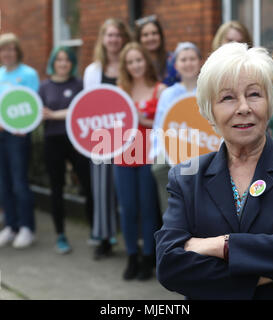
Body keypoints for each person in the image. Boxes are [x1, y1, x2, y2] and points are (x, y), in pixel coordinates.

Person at [155, 42, 273, 300]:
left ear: (269, 102)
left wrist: (219, 245)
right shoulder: (186, 177)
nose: (243, 108)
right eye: (228, 97)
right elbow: (170, 266)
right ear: (210, 112)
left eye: (254, 94)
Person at [0, 33, 39, 249]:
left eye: (11, 49)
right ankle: (10, 226)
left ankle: (27, 227)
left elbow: (31, 106)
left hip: (18, 136)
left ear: (17, 51)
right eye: (3, 50)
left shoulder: (28, 74)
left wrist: (4, 125)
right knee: (2, 182)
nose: (7, 53)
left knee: (19, 182)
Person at [115, 42, 166, 280]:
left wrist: (140, 119)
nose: (135, 65)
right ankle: (131, 256)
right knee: (127, 209)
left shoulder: (160, 90)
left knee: (148, 208)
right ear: (125, 66)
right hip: (122, 154)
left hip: (149, 154)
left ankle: (148, 257)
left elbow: (165, 125)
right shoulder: (119, 90)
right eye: (130, 61)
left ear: (146, 61)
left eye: (139, 60)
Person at [83, 18, 132, 259]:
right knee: (101, 190)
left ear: (123, 39)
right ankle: (103, 238)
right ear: (103, 39)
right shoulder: (92, 71)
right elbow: (87, 107)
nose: (113, 40)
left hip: (131, 138)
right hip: (102, 138)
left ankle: (136, 242)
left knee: (128, 191)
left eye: (117, 35)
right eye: (109, 35)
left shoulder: (130, 66)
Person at [39, 46, 92, 254]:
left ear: (72, 64)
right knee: (56, 188)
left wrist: (53, 114)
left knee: (87, 186)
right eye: (59, 60)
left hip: (78, 140)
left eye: (67, 60)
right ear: (53, 62)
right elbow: (38, 113)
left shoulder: (80, 85)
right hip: (53, 140)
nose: (63, 63)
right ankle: (60, 234)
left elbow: (82, 110)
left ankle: (94, 230)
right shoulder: (44, 87)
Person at [151, 42, 202, 215]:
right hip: (170, 153)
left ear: (200, 62)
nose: (188, 63)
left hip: (202, 152)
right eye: (184, 59)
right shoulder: (168, 94)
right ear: (176, 65)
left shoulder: (207, 91)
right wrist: (159, 154)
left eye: (192, 59)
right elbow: (159, 126)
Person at [135, 15, 179, 86]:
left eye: (154, 33)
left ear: (160, 36)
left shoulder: (173, 60)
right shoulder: (135, 63)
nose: (151, 38)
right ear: (139, 39)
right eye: (145, 35)